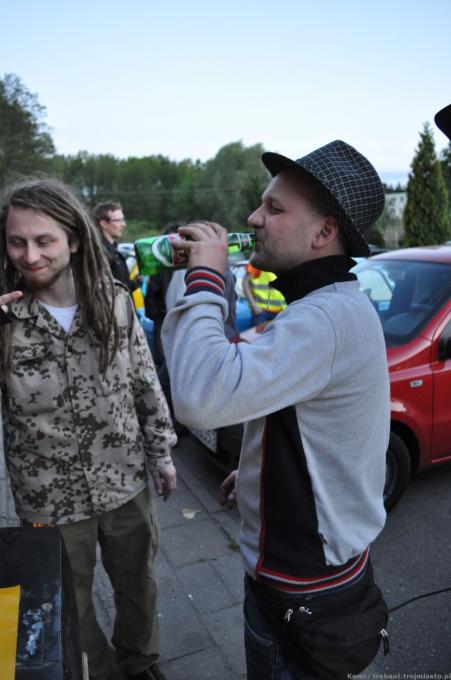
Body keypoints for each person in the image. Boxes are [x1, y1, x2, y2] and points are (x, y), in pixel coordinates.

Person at [161, 140, 390, 679]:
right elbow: (322, 428)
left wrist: (206, 276)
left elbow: (199, 396)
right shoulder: (327, 306)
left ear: (324, 232)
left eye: (274, 208)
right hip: (311, 578)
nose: (252, 218)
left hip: (302, 593)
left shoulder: (325, 318)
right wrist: (257, 473)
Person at [0, 179, 177, 680]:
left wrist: (162, 453)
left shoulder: (113, 300)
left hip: (124, 480)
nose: (29, 255)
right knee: (67, 603)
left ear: (74, 239)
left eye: (44, 240)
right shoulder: (5, 318)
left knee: (138, 586)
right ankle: (96, 670)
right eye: (17, 242)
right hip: (47, 498)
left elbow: (144, 381)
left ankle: (140, 661)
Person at [94, 201, 134, 290]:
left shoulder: (114, 251)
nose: (123, 225)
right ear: (104, 224)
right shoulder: (100, 253)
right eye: (118, 220)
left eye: (123, 220)